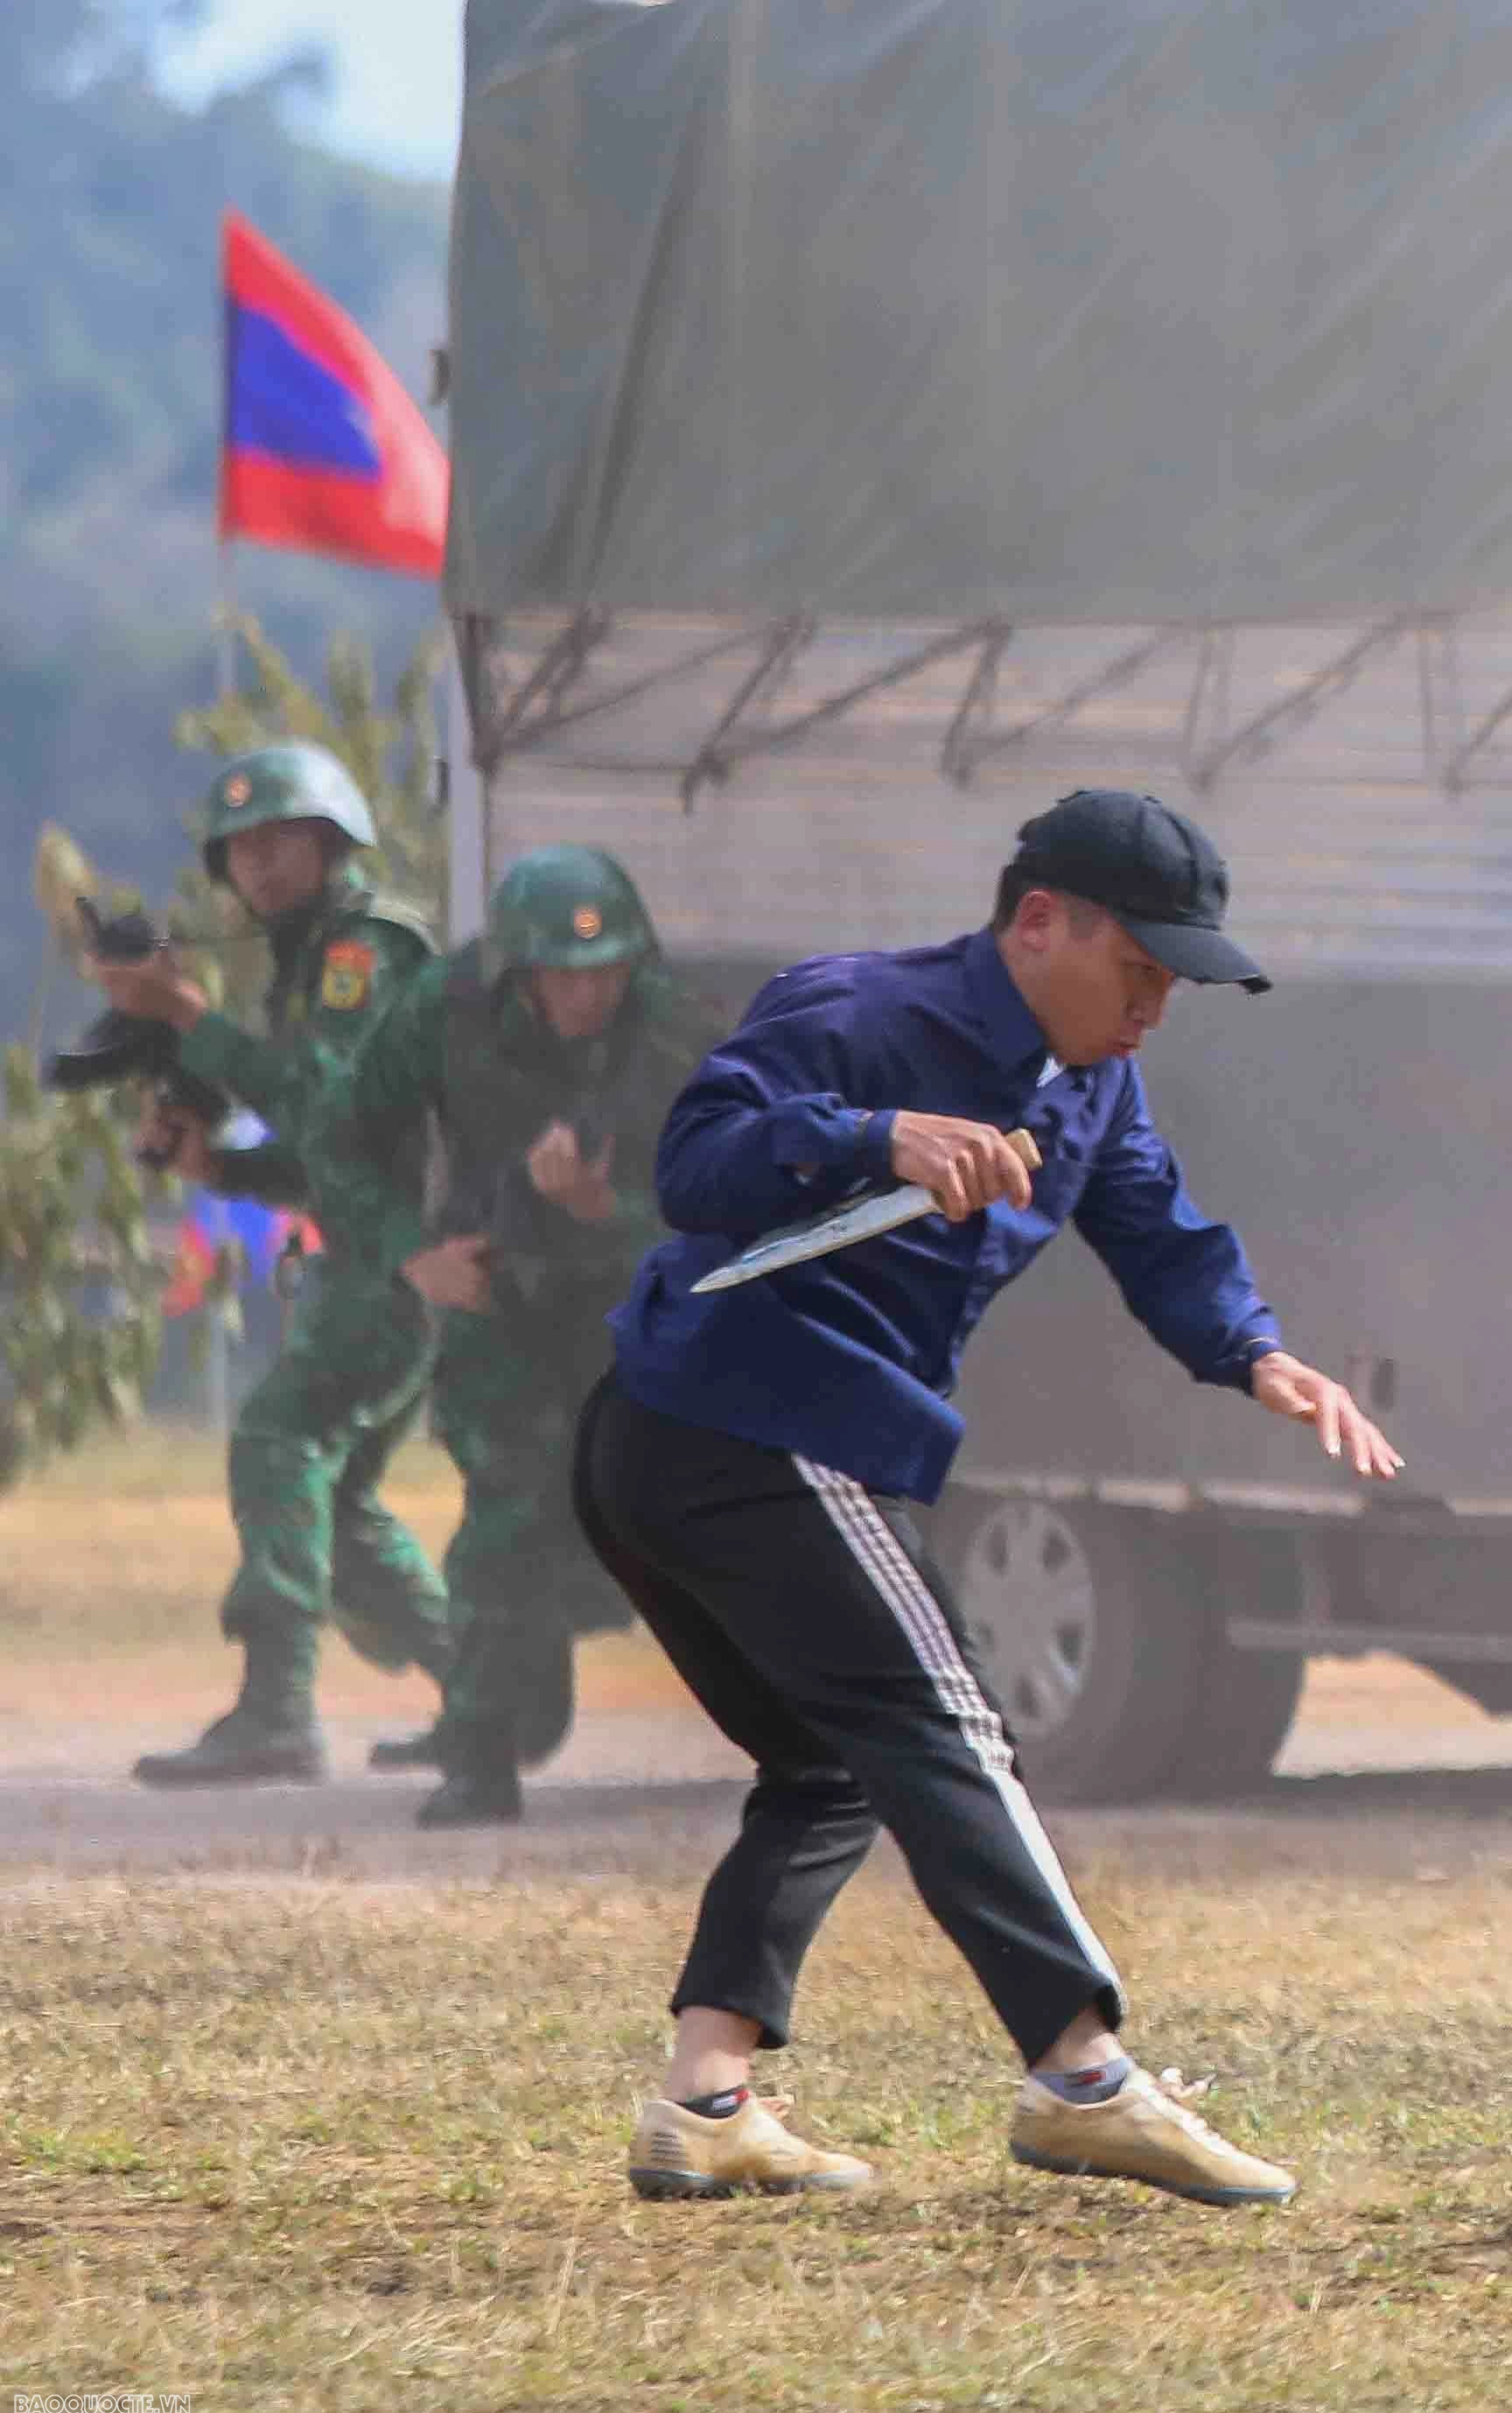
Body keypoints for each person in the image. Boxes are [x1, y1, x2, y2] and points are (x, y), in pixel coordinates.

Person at [577, 789, 1397, 2211]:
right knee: (942, 1722)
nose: (1155, 1005)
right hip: (741, 1423)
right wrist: (875, 1135)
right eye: (1138, 967)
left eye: (1174, 980)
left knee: (838, 1759)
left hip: (743, 1441)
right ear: (1036, 922)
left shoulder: (1092, 1083)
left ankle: (704, 2101)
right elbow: (692, 1164)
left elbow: (1156, 1229)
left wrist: (1253, 1351)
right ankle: (1083, 2078)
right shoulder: (855, 1013)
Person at [307, 845, 716, 1827]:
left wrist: (605, 1207)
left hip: (637, 1305)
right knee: (510, 1507)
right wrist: (414, 1254)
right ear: (519, 973)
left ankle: (820, 1747)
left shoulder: (673, 1034)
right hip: (498, 1301)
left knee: (690, 1519)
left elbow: (743, 1193)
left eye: (608, 970)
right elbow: (341, 1140)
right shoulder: (443, 1012)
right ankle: (481, 1751)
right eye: (566, 975)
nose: (590, 993)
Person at [92, 743, 453, 1785]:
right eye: (240, 847)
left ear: (334, 840)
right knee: (335, 1506)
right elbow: (323, 1159)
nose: (258, 864)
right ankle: (488, 1700)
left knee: (279, 1435)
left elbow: (335, 1109)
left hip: (403, 1256)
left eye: (280, 838)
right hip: (380, 1250)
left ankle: (278, 1714)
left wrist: (193, 1022)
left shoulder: (362, 953)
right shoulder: (306, 969)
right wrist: (224, 1164)